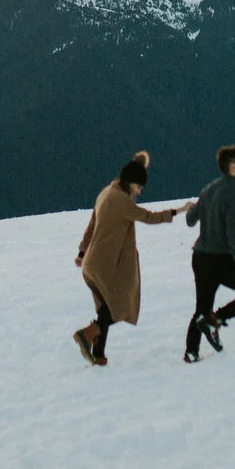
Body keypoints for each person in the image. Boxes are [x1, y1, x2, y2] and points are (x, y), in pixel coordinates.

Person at [72, 151, 182, 366]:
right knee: (120, 306)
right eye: (139, 187)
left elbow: (91, 225)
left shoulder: (106, 192)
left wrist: (82, 253)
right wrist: (177, 212)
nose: (139, 192)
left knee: (105, 308)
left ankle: (98, 355)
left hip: (91, 264)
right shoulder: (122, 201)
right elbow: (149, 217)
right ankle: (88, 333)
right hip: (104, 264)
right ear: (131, 183)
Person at [182, 142, 235, 362]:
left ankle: (191, 352)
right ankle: (216, 319)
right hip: (221, 261)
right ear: (233, 168)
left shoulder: (209, 189)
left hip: (200, 258)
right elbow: (234, 234)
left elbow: (190, 220)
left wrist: (194, 206)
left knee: (201, 307)